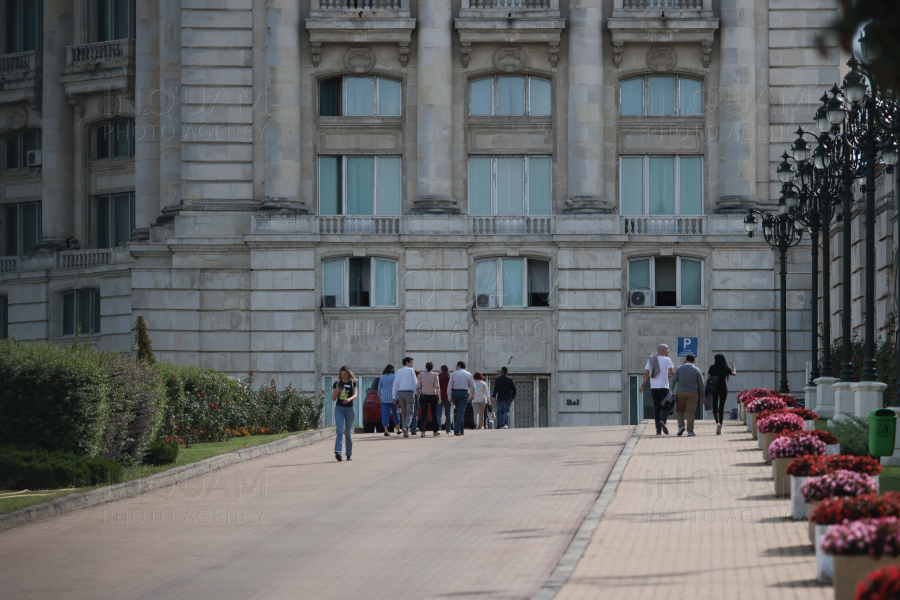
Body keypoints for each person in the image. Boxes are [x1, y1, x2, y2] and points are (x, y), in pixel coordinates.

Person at [639, 344, 676, 435]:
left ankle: (658, 430)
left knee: (657, 409)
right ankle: (663, 421)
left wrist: (643, 385)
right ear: (662, 351)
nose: (668, 351)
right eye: (667, 349)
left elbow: (646, 374)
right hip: (663, 387)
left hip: (653, 388)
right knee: (667, 406)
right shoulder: (667, 360)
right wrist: (675, 384)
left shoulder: (651, 359)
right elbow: (672, 373)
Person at [670, 354, 706, 437]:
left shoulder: (679, 368)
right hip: (693, 393)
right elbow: (701, 384)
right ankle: (690, 431)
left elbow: (674, 380)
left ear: (685, 360)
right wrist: (703, 396)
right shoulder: (697, 370)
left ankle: (681, 426)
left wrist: (672, 389)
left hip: (680, 392)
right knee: (690, 412)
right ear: (694, 361)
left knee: (679, 410)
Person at [706, 354, 737, 435]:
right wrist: (733, 366)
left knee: (715, 408)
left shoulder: (712, 367)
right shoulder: (725, 368)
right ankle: (721, 425)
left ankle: (717, 423)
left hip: (714, 389)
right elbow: (734, 374)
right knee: (721, 408)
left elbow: (707, 379)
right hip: (723, 388)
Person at [332, 366, 358, 461]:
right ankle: (338, 452)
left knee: (347, 433)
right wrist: (338, 391)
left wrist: (349, 399)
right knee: (339, 431)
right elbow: (333, 398)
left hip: (350, 409)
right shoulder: (337, 383)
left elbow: (355, 395)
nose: (343, 376)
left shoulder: (352, 383)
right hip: (339, 409)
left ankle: (349, 454)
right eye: (342, 374)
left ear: (348, 374)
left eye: (345, 374)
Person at [392, 357, 418, 438]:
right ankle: (405, 427)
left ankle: (404, 430)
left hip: (400, 393)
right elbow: (415, 383)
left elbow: (395, 384)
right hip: (409, 393)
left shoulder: (398, 371)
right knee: (410, 412)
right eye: (411, 362)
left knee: (404, 412)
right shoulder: (411, 371)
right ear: (407, 362)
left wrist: (394, 396)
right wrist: (416, 392)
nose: (412, 364)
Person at [448, 361, 475, 436]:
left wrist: (449, 396)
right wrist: (473, 395)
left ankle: (460, 429)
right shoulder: (468, 374)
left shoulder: (453, 374)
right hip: (464, 393)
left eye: (456, 366)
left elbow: (449, 386)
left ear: (459, 366)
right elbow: (473, 386)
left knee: (459, 411)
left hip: (455, 393)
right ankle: (457, 430)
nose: (456, 367)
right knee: (461, 411)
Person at [417, 362, 441, 437]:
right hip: (433, 395)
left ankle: (422, 431)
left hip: (424, 395)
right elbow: (437, 386)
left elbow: (418, 385)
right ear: (432, 367)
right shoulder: (435, 374)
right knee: (434, 413)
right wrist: (439, 397)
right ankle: (435, 430)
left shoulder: (421, 374)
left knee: (423, 413)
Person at [378, 365, 400, 436]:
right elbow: (397, 387)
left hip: (384, 398)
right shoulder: (395, 376)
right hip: (393, 398)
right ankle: (398, 429)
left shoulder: (382, 377)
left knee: (385, 414)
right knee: (395, 413)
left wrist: (380, 397)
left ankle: (386, 431)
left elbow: (379, 389)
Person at [437, 365, 452, 434]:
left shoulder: (438, 376)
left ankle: (438, 428)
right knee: (448, 414)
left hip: (440, 397)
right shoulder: (449, 377)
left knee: (439, 413)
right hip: (447, 397)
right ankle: (448, 430)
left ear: (441, 370)